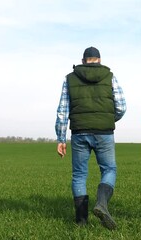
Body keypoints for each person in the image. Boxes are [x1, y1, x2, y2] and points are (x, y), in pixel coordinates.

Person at [55, 46, 126, 230]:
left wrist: (61, 138)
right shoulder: (110, 77)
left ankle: (81, 222)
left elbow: (63, 111)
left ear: (83, 60)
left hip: (79, 132)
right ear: (99, 59)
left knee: (79, 175)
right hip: (104, 133)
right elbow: (121, 106)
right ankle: (101, 203)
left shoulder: (69, 78)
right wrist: (108, 119)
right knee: (109, 169)